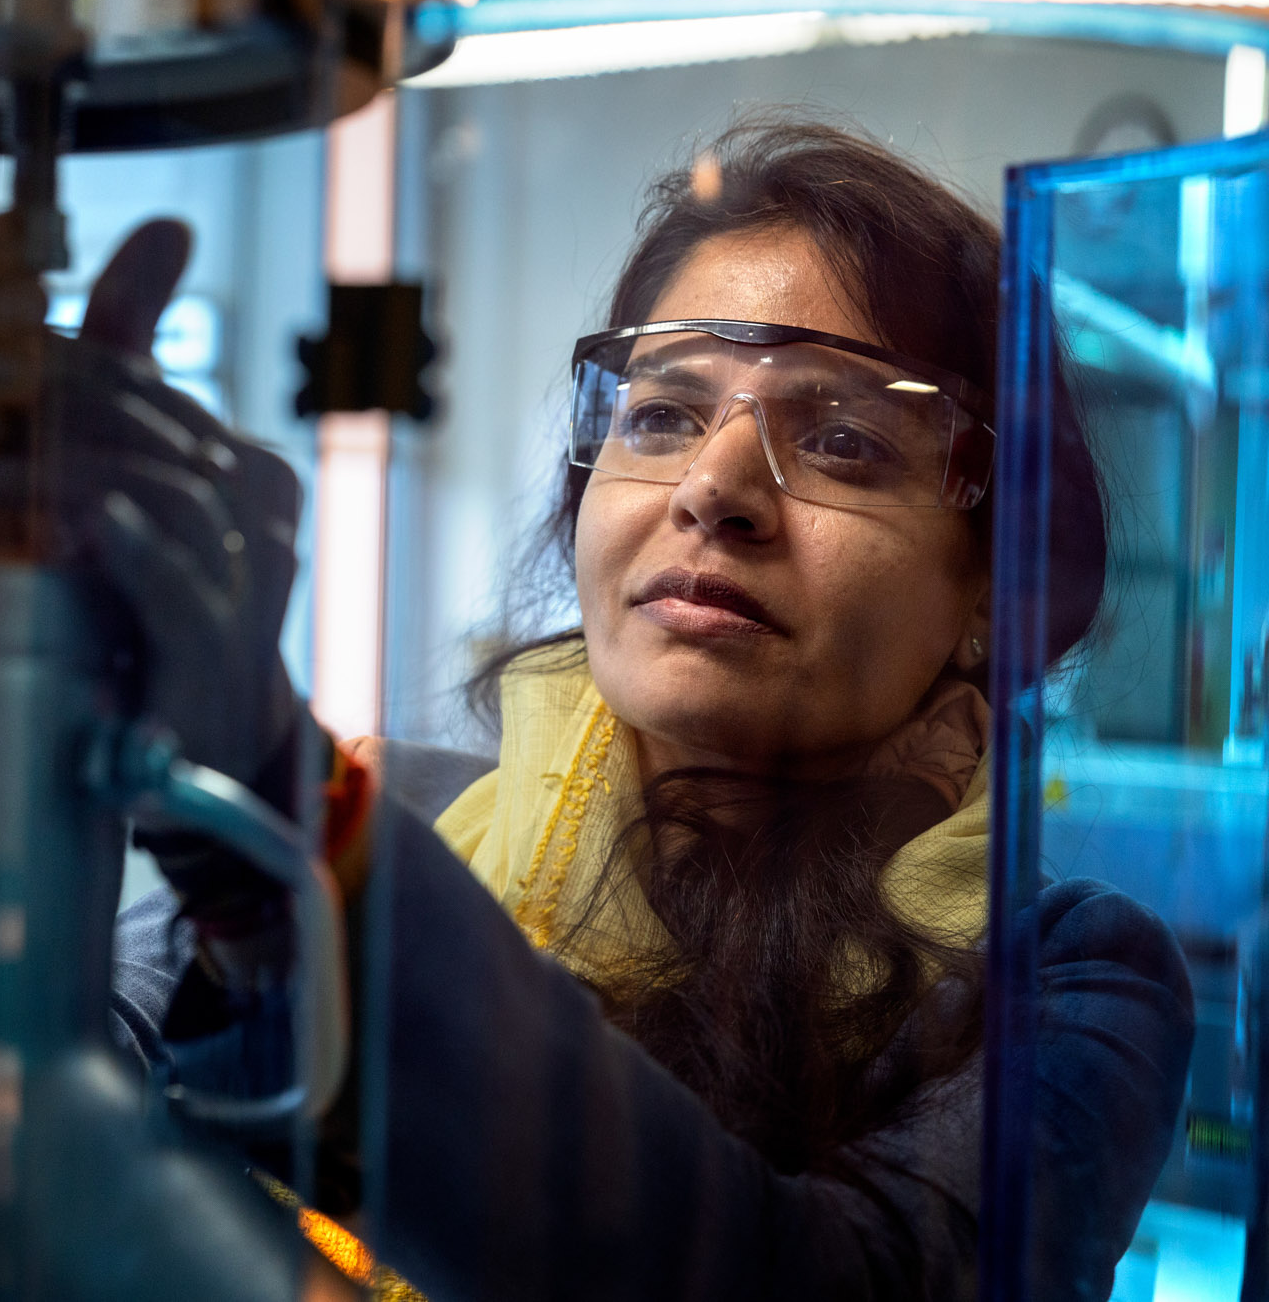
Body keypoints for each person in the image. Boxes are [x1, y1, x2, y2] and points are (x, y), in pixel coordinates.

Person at [72, 121, 1193, 1300]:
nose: (714, 488)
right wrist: (34, 663)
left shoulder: (1073, 976)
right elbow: (32, 1111)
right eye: (661, 416)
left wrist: (276, 804)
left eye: (844, 440)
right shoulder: (382, 808)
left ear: (991, 586)